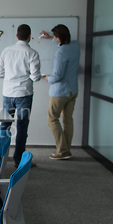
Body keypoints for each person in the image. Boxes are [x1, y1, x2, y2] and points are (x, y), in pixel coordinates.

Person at [0, 24, 41, 167]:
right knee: (22, 128)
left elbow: (0, 73)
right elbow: (35, 77)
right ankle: (18, 161)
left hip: (8, 94)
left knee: (5, 126)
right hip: (24, 94)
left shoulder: (6, 51)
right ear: (30, 36)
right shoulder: (32, 53)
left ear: (16, 36)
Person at [40, 24, 80, 160]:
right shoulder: (75, 45)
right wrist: (51, 38)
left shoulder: (61, 52)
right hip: (73, 90)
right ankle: (66, 149)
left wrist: (47, 78)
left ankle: (62, 150)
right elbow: (64, 43)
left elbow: (58, 75)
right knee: (67, 120)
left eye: (55, 37)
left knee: (52, 119)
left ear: (59, 38)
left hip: (61, 92)